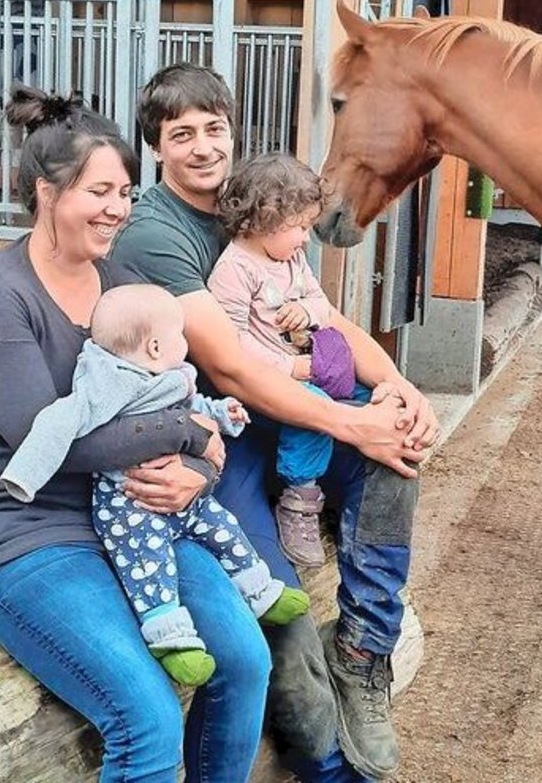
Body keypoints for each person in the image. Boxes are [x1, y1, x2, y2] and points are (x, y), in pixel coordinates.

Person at [111, 63, 440, 782]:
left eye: (214, 129)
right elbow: (231, 370)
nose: (202, 146)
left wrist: (395, 386)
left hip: (285, 423)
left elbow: (325, 318)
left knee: (398, 450)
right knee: (280, 616)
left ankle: (363, 650)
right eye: (181, 134)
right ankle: (333, 772)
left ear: (233, 133)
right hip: (216, 443)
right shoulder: (155, 233)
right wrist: (352, 424)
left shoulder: (260, 208)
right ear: (158, 148)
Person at [0, 83, 271, 782]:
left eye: (124, 191)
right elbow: (47, 436)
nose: (118, 208)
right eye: (99, 192)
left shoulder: (122, 286)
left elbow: (194, 414)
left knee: (245, 662)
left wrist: (200, 471)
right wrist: (187, 431)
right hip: (23, 534)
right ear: (44, 193)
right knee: (145, 719)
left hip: (135, 518)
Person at [0, 283, 312, 688]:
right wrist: (25, 474)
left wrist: (222, 415)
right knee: (149, 571)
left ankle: (261, 591)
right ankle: (172, 640)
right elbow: (60, 423)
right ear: (154, 347)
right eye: (180, 335)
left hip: (186, 500)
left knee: (225, 529)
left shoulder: (169, 374)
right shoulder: (106, 383)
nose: (186, 342)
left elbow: (191, 408)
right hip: (131, 504)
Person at [208, 153, 365, 568]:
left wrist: (307, 313)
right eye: (298, 227)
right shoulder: (234, 271)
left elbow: (320, 303)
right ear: (263, 220)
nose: (304, 238)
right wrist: (291, 369)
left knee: (360, 393)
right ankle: (299, 497)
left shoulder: (292, 259)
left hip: (307, 365)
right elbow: (234, 341)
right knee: (314, 406)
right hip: (266, 384)